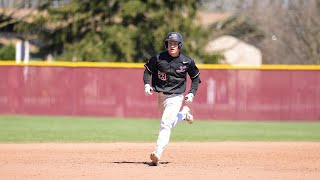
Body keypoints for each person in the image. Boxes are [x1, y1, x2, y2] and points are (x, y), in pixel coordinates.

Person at [143, 32, 201, 166]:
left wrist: (191, 93)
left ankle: (157, 153)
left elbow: (196, 78)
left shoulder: (187, 61)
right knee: (168, 123)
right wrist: (147, 84)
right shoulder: (158, 58)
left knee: (165, 124)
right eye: (170, 43)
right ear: (166, 45)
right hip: (161, 95)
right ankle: (184, 114)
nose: (172, 45)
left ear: (179, 45)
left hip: (176, 96)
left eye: (175, 43)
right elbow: (147, 71)